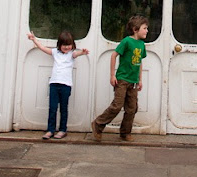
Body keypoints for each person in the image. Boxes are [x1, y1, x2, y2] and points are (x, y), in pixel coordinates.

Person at [91, 14, 148, 142]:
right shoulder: (126, 41)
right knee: (117, 105)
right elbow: (114, 55)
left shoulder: (141, 44)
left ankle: (125, 132)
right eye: (144, 28)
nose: (147, 31)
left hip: (133, 82)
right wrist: (112, 75)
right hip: (122, 80)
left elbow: (139, 62)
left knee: (132, 108)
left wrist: (140, 79)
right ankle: (98, 124)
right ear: (135, 29)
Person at [27, 30, 89, 140]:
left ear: (72, 45)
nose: (66, 47)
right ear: (59, 45)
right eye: (64, 45)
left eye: (69, 45)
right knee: (53, 108)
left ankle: (62, 130)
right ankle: (50, 130)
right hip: (54, 84)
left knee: (63, 108)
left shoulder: (71, 54)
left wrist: (82, 52)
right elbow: (43, 48)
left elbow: (76, 54)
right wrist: (34, 39)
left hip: (66, 85)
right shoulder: (55, 52)